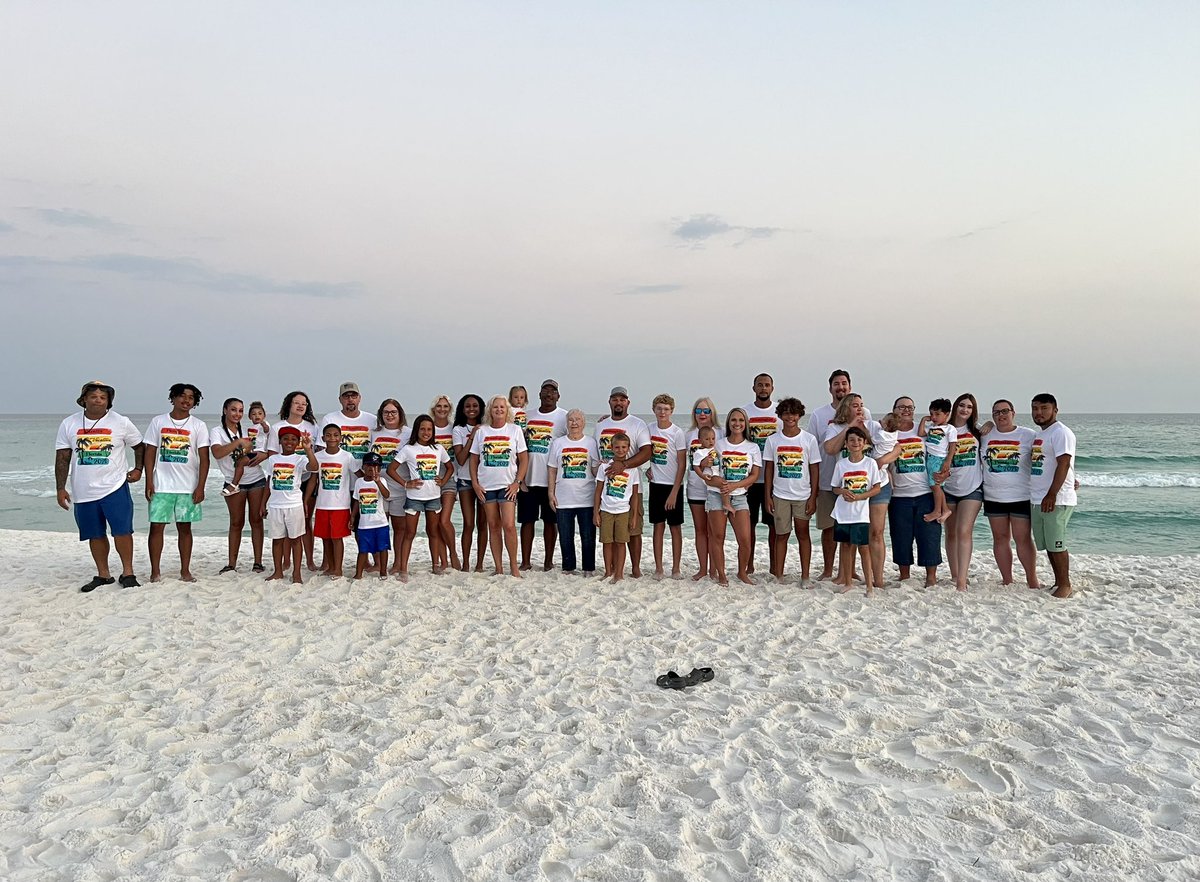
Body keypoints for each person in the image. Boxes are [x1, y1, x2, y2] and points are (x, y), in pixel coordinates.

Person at [55, 380, 144, 592]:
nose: (98, 400)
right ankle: (103, 575)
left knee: (122, 531)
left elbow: (140, 446)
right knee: (95, 534)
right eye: (93, 396)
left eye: (103, 397)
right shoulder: (69, 423)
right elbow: (62, 456)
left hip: (115, 486)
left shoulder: (121, 422)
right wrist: (60, 488)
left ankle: (128, 573)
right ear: (84, 399)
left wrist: (139, 469)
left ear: (109, 401)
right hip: (83, 489)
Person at [143, 383, 210, 583]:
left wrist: (200, 486)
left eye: (191, 398)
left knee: (185, 528)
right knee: (156, 528)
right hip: (162, 485)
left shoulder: (198, 425)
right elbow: (150, 452)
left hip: (187, 486)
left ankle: (185, 571)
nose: (186, 400)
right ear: (173, 398)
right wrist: (149, 481)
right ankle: (155, 572)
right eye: (182, 396)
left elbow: (204, 458)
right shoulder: (158, 421)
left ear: (195, 402)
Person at [809, 370, 870, 580]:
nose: (840, 387)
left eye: (844, 383)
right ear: (830, 388)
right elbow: (815, 447)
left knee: (852, 526)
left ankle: (849, 569)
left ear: (850, 387)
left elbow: (872, 444)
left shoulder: (865, 414)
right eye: (836, 384)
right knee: (828, 527)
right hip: (828, 479)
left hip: (856, 482)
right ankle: (827, 569)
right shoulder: (820, 415)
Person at [981, 400, 1040, 590]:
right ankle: (1007, 579)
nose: (1001, 415)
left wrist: (1069, 478)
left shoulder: (1028, 435)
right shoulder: (985, 434)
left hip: (1021, 495)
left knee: (1023, 538)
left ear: (1013, 413)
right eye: (996, 412)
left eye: (1005, 411)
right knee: (1000, 538)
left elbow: (1046, 457)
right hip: (993, 496)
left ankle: (1032, 579)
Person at [700, 408, 762, 586]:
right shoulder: (718, 444)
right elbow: (707, 470)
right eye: (733, 420)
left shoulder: (752, 447)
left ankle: (742, 572)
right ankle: (721, 575)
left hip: (740, 497)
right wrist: (718, 483)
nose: (737, 423)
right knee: (717, 537)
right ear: (728, 423)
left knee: (745, 539)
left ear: (746, 423)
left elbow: (754, 475)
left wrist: (735, 485)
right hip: (716, 496)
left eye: (741, 420)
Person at [595, 386, 652, 578]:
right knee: (609, 534)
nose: (618, 402)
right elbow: (597, 455)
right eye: (615, 399)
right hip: (607, 490)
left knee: (633, 529)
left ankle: (635, 567)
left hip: (630, 486)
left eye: (622, 399)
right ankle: (611, 569)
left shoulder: (638, 424)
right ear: (609, 402)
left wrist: (623, 465)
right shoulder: (600, 425)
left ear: (628, 402)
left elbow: (646, 452)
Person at [763, 397, 821, 584]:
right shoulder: (773, 440)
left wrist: (813, 497)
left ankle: (805, 576)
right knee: (782, 535)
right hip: (780, 495)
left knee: (803, 534)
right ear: (780, 415)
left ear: (799, 415)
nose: (790, 417)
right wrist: (768, 496)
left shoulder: (808, 439)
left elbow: (814, 469)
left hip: (803, 495)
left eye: (794, 413)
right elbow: (769, 469)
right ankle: (779, 575)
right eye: (786, 413)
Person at [470, 396, 529, 577]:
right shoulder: (482, 432)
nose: (499, 410)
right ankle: (498, 567)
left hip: (507, 485)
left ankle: (513, 566)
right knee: (493, 526)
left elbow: (524, 458)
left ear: (507, 409)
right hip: (486, 486)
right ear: (490, 410)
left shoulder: (515, 430)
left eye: (502, 407)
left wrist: (517, 482)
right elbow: (473, 460)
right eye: (495, 407)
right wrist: (475, 484)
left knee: (509, 525)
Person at [888, 396, 942, 586]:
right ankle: (904, 575)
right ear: (894, 409)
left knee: (929, 535)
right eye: (901, 407)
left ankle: (931, 577)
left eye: (910, 407)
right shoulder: (889, 431)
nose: (906, 410)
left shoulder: (924, 430)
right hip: (898, 495)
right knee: (900, 536)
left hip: (925, 492)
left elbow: (948, 432)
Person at [391, 414, 452, 580]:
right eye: (423, 429)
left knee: (433, 531)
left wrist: (444, 480)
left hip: (433, 497)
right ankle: (403, 569)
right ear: (416, 430)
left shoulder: (438, 449)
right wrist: (406, 483)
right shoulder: (409, 449)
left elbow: (450, 467)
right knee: (409, 533)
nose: (426, 432)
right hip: (414, 498)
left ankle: (436, 565)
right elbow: (391, 469)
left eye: (429, 429)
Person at [211, 397, 268, 574]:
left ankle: (258, 562)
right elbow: (218, 453)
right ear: (225, 410)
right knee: (236, 523)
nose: (237, 414)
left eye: (241, 410)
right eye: (234, 409)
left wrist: (264, 455)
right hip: (233, 481)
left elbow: (266, 445)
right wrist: (237, 443)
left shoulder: (249, 429)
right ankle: (231, 563)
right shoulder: (217, 431)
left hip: (256, 479)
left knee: (256, 521)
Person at [1030, 394, 1077, 599]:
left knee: (1057, 543)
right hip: (1038, 497)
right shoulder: (1043, 434)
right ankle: (1058, 581)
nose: (1039, 412)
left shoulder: (1061, 432)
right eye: (1035, 408)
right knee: (1049, 543)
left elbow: (1064, 463)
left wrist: (1052, 493)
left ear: (1055, 410)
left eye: (1044, 408)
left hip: (1055, 498)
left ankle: (1065, 584)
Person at [267, 391, 320, 571]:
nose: (300, 406)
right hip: (285, 481)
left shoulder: (312, 427)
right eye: (296, 402)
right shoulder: (277, 428)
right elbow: (274, 458)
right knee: (284, 523)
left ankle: (310, 560)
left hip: (308, 478)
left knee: (305, 520)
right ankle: (286, 561)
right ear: (288, 404)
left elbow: (315, 459)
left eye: (304, 403)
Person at [942, 394, 989, 591]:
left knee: (964, 531)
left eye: (969, 407)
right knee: (950, 533)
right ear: (955, 407)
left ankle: (962, 579)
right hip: (948, 488)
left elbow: (993, 430)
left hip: (972, 488)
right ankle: (954, 575)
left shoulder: (976, 432)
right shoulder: (944, 429)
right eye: (962, 405)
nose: (965, 410)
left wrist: (990, 423)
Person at [519, 380, 567, 571]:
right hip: (528, 479)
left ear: (558, 396)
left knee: (550, 522)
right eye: (545, 390)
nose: (549, 394)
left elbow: (576, 430)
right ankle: (525, 561)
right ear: (539, 395)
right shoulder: (526, 415)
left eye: (553, 391)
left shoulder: (564, 416)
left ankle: (548, 560)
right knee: (527, 521)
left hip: (552, 481)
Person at [262, 426, 319, 584]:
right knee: (277, 539)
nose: (289, 442)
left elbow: (314, 467)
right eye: (285, 438)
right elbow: (269, 483)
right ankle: (278, 571)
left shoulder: (300, 459)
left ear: (297, 442)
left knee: (295, 539)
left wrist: (308, 449)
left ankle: (297, 573)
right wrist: (263, 504)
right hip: (275, 505)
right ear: (280, 441)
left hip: (294, 505)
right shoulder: (273, 459)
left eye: (293, 439)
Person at [831, 427, 884, 595]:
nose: (856, 443)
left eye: (859, 440)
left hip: (860, 513)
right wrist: (843, 491)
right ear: (846, 444)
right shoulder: (841, 464)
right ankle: (848, 582)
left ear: (865, 443)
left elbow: (876, 488)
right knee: (845, 546)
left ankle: (869, 586)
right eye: (852, 440)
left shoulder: (870, 463)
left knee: (863, 547)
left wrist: (861, 497)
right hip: (842, 512)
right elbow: (835, 488)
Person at [548, 409, 599, 576]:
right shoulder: (558, 443)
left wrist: (602, 466)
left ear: (583, 423)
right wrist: (551, 493)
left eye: (578, 419)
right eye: (571, 420)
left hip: (586, 497)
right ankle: (568, 567)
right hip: (563, 497)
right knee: (565, 536)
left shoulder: (591, 442)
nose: (574, 423)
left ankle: (588, 568)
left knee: (588, 536)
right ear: (566, 423)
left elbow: (594, 470)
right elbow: (552, 470)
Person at [743, 373, 782, 575]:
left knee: (773, 525)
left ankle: (775, 565)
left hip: (773, 479)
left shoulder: (779, 414)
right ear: (754, 388)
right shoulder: (746, 412)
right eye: (760, 385)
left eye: (767, 385)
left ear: (772, 388)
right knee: (748, 524)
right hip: (749, 479)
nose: (763, 388)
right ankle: (749, 565)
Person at [648, 394, 687, 579]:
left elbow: (682, 464)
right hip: (656, 485)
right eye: (659, 408)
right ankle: (658, 568)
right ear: (653, 410)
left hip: (673, 486)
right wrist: (647, 469)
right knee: (658, 526)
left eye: (666, 409)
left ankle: (676, 568)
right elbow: (637, 447)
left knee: (675, 527)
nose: (662, 412)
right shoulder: (648, 429)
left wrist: (674, 492)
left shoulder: (677, 433)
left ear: (672, 411)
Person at [309, 424, 356, 578]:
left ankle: (338, 569)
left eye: (336, 435)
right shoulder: (318, 456)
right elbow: (313, 480)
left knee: (337, 538)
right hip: (322, 503)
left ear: (340, 438)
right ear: (323, 438)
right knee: (325, 537)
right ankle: (329, 566)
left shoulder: (347, 456)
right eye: (328, 435)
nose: (332, 438)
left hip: (340, 504)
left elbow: (359, 475)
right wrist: (305, 500)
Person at [594, 433, 641, 583]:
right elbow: (598, 490)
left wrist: (633, 517)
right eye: (617, 447)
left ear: (628, 449)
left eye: (623, 447)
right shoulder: (604, 466)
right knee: (607, 542)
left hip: (623, 512)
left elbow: (634, 495)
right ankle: (608, 571)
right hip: (606, 510)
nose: (620, 450)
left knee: (621, 542)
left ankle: (619, 573)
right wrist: (596, 512)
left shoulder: (632, 470)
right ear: (611, 448)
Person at [684, 398, 722, 582]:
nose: (702, 414)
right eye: (698, 411)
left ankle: (714, 569)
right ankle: (702, 569)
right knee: (700, 530)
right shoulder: (689, 434)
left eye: (706, 411)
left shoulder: (720, 433)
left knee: (714, 531)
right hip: (695, 488)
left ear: (712, 412)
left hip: (715, 489)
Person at [370, 398, 410, 575]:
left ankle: (398, 563)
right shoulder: (373, 433)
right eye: (386, 412)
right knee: (380, 526)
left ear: (400, 413)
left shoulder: (408, 434)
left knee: (400, 528)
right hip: (378, 486)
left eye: (393, 412)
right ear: (381, 414)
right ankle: (379, 562)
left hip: (401, 486)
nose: (390, 415)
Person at [452, 394, 488, 572]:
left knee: (483, 524)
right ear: (462, 409)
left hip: (485, 482)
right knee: (468, 523)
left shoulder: (487, 428)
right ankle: (466, 563)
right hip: (465, 480)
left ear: (481, 408)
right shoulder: (458, 430)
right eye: (467, 406)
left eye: (475, 405)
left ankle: (479, 564)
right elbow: (460, 458)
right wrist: (473, 436)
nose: (471, 409)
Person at [429, 395, 462, 572]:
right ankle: (442, 560)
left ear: (450, 409)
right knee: (434, 524)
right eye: (439, 406)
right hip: (430, 480)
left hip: (449, 478)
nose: (442, 409)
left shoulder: (453, 429)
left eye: (446, 406)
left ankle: (453, 554)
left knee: (444, 520)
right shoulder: (427, 428)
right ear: (433, 408)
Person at [918, 399, 958, 524]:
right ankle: (945, 509)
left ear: (946, 414)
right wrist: (924, 420)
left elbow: (952, 446)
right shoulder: (931, 426)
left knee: (934, 485)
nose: (934, 417)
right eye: (932, 414)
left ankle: (937, 511)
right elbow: (920, 433)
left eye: (937, 414)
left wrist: (947, 461)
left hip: (939, 458)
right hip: (930, 458)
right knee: (937, 486)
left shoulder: (950, 429)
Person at [219, 400, 271, 497]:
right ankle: (236, 483)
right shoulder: (249, 429)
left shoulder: (263, 424)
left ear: (264, 415)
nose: (257, 416)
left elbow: (267, 430)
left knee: (240, 463)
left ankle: (234, 484)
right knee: (239, 462)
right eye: (254, 414)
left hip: (259, 452)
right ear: (250, 416)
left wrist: (263, 424)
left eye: (260, 414)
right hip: (252, 451)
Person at [352, 452, 391, 580]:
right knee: (363, 550)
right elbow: (357, 501)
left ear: (379, 469)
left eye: (375, 466)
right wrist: (352, 517)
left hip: (380, 522)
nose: (371, 468)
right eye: (369, 465)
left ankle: (383, 572)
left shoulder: (382, 480)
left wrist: (378, 482)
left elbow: (386, 495)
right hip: (364, 524)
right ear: (363, 466)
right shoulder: (359, 482)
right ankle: (358, 574)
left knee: (383, 548)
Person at [319, 382, 372, 469]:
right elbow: (321, 449)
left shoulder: (372, 420)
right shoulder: (329, 419)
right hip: (339, 473)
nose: (350, 399)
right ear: (340, 399)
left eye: (354, 396)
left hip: (364, 475)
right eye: (346, 396)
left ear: (359, 398)